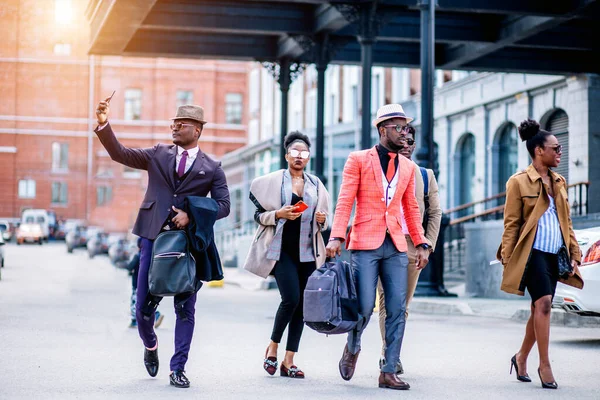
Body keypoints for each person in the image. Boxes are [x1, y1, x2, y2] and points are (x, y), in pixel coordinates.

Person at [94, 99, 230, 388]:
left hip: (188, 246)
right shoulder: (158, 153)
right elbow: (121, 154)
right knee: (143, 307)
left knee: (185, 308)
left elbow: (224, 205)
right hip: (152, 239)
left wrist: (191, 216)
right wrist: (104, 124)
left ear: (197, 130)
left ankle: (178, 368)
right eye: (173, 123)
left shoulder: (213, 167)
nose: (175, 127)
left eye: (181, 124)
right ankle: (151, 345)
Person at [326, 104, 431, 391]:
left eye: (406, 128)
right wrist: (337, 236)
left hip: (396, 244)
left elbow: (411, 208)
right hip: (365, 243)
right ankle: (353, 346)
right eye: (398, 127)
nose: (404, 133)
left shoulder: (409, 167)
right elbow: (345, 200)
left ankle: (388, 370)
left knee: (397, 308)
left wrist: (421, 242)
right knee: (363, 308)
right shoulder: (358, 159)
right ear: (382, 129)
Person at [498, 118, 583, 390]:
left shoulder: (559, 181)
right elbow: (511, 224)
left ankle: (520, 356)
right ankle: (544, 365)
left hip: (554, 254)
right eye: (555, 148)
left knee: (538, 309)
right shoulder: (518, 183)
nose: (560, 152)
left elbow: (566, 221)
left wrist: (574, 252)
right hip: (531, 253)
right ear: (538, 151)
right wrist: (509, 259)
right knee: (544, 304)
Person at [243, 131, 330, 379]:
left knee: (302, 306)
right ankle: (272, 346)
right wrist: (278, 215)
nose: (299, 157)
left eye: (303, 153)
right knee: (290, 298)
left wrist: (321, 221)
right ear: (286, 155)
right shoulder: (272, 182)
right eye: (295, 152)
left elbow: (325, 218)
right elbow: (258, 216)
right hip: (281, 252)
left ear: (308, 157)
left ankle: (289, 360)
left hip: (308, 254)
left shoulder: (316, 185)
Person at [377, 124, 442, 375]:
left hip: (412, 245)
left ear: (413, 146)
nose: (405, 145)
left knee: (402, 305)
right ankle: (389, 354)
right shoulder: (382, 170)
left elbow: (435, 212)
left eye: (410, 141)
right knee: (387, 302)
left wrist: (428, 245)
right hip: (384, 241)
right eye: (401, 139)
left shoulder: (424, 175)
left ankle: (392, 351)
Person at [126, 237, 163, 330]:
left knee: (136, 302)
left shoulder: (138, 256)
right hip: (149, 285)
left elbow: (130, 266)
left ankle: (135, 320)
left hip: (137, 285)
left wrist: (125, 265)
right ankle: (157, 315)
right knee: (147, 303)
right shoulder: (152, 256)